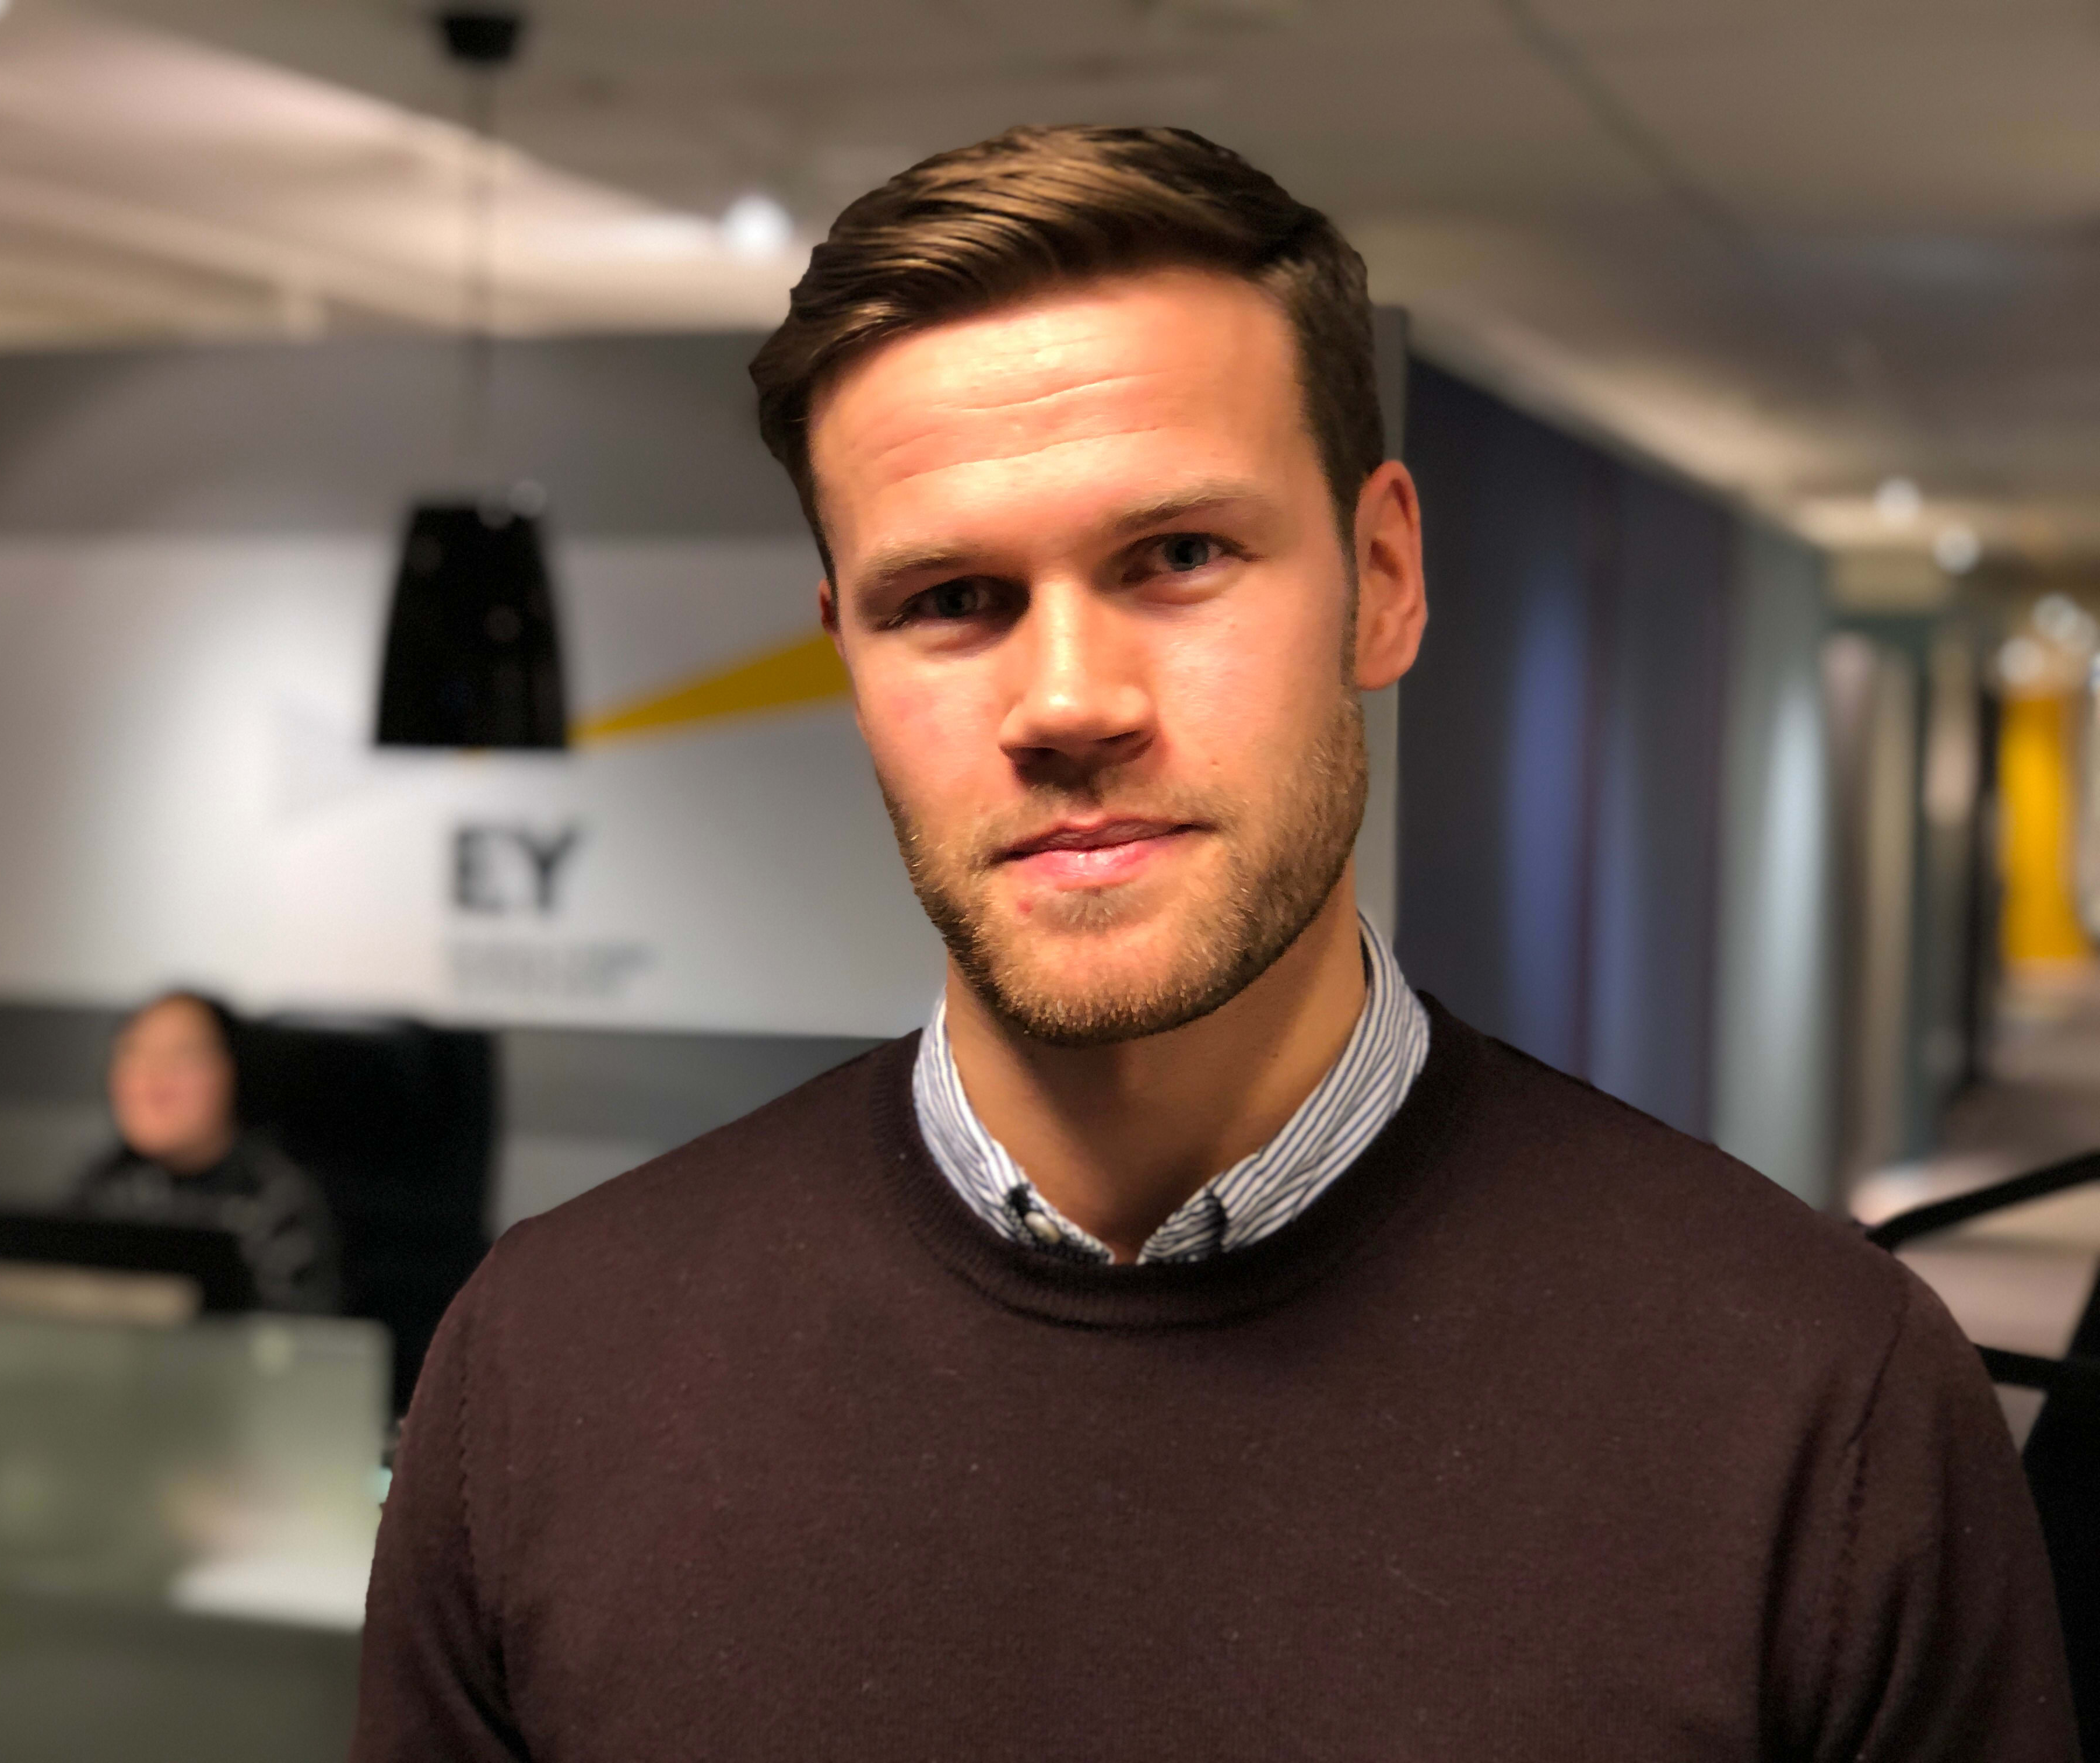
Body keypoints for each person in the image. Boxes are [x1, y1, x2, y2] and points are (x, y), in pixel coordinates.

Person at [352, 127, 2074, 1760]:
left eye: (1177, 556)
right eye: (949, 602)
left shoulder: (1815, 1402)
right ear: (848, 661)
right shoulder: (546, 1368)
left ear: (1381, 579)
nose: (1067, 702)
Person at [73, 989, 340, 1314]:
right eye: (134, 1052)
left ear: (232, 1070)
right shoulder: (103, 1189)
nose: (152, 1077)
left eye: (183, 1055)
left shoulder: (279, 1201)